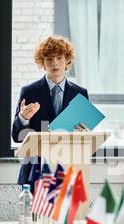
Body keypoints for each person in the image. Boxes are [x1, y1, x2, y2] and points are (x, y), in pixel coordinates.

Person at [12, 35, 89, 188]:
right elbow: (16, 136)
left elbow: (85, 143)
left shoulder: (80, 94)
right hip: (35, 172)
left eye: (59, 57)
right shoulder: (29, 91)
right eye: (49, 59)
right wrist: (23, 118)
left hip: (69, 172)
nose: (54, 63)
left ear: (67, 60)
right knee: (34, 212)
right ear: (42, 62)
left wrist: (86, 135)